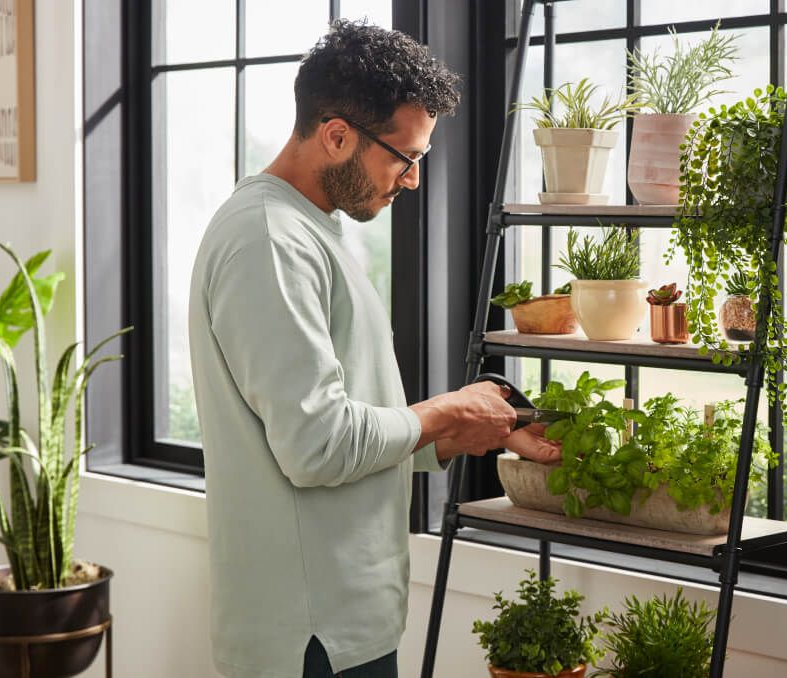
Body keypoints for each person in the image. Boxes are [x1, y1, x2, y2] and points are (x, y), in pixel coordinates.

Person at [188, 20, 561, 678]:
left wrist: (470, 431)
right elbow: (318, 446)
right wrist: (444, 411)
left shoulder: (314, 229)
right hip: (310, 634)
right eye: (406, 158)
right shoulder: (269, 240)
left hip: (342, 621)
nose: (413, 180)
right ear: (337, 135)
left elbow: (347, 426)